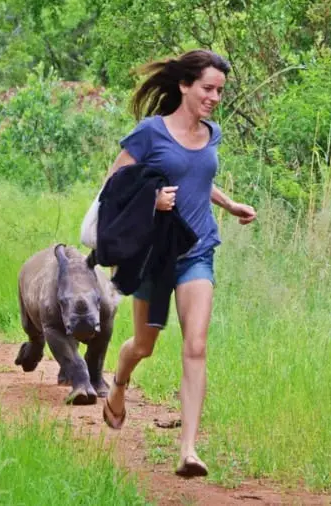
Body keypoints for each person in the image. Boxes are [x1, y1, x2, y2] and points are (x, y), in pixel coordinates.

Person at [100, 49, 257, 478]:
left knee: (197, 345)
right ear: (185, 86)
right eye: (208, 88)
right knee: (144, 346)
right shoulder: (150, 133)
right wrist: (152, 200)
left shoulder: (213, 134)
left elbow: (198, 178)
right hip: (154, 254)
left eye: (220, 91)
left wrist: (229, 203)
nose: (215, 97)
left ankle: (188, 449)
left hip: (197, 250)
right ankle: (119, 381)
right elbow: (114, 186)